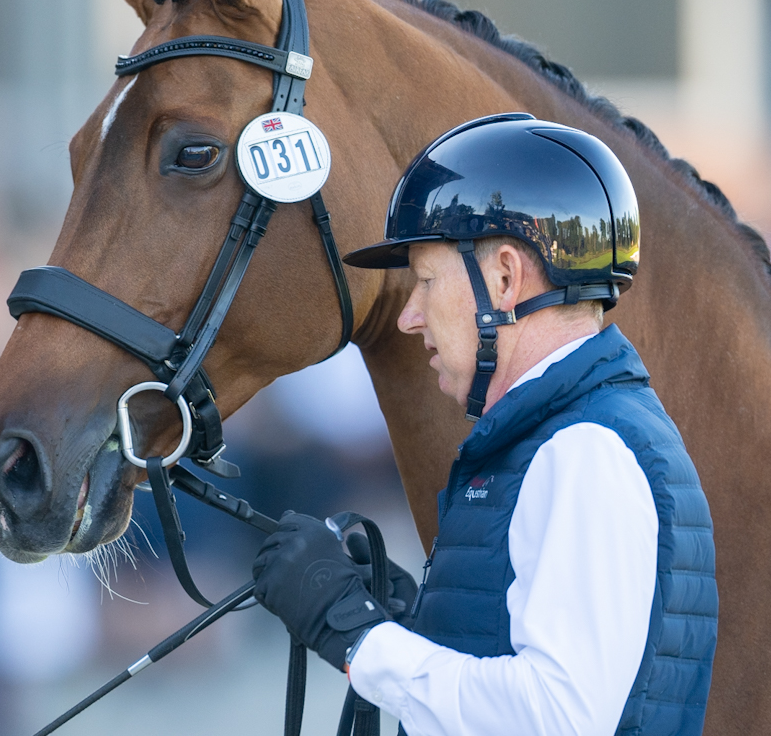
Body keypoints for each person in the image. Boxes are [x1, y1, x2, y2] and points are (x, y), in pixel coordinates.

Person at [251, 113, 718, 736]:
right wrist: (414, 625)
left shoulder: (583, 451)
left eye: (424, 282)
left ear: (503, 278)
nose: (409, 317)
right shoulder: (565, 438)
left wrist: (358, 637)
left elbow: (558, 719)